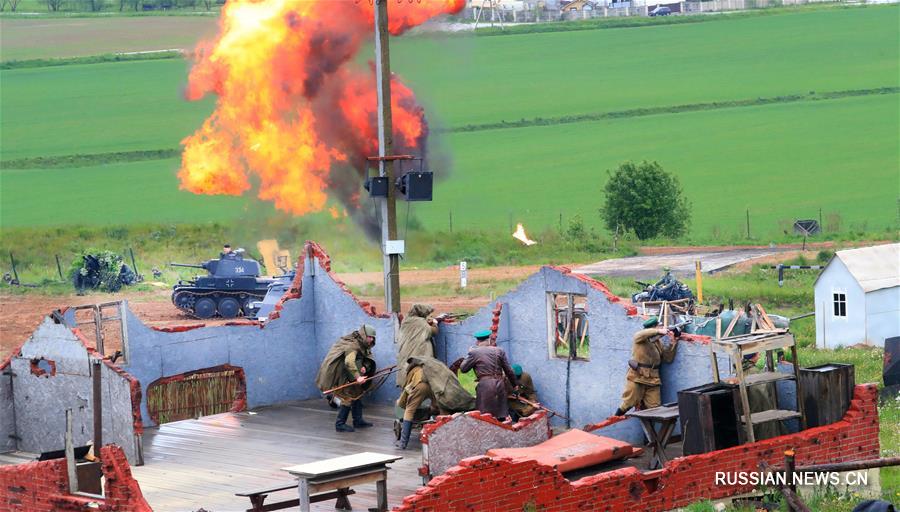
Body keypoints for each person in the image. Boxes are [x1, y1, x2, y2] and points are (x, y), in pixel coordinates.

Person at [395, 355, 475, 449]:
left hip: (421, 386)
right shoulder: (433, 367)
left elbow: (407, 389)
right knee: (442, 410)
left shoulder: (414, 369)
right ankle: (446, 440)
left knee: (409, 410)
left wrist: (401, 403)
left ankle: (403, 443)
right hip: (436, 386)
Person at [315, 325, 377, 432]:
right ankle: (340, 424)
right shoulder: (353, 346)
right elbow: (349, 362)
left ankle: (358, 421)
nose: (371, 339)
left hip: (352, 375)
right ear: (364, 335)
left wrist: (364, 367)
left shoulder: (363, 345)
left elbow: (364, 358)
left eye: (373, 338)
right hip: (344, 376)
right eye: (369, 337)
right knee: (347, 398)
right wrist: (358, 377)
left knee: (357, 395)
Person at [614, 317, 679, 416]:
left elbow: (668, 358)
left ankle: (649, 430)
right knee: (628, 403)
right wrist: (659, 331)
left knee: (654, 409)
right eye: (659, 326)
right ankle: (615, 419)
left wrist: (673, 342)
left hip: (653, 379)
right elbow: (638, 335)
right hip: (637, 377)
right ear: (653, 328)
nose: (662, 327)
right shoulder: (640, 338)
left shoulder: (657, 342)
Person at [459, 329, 517, 420]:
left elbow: (463, 369)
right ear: (488, 339)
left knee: (485, 417)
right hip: (500, 385)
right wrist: (515, 385)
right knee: (501, 415)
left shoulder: (474, 352)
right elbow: (509, 370)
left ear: (477, 341)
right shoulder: (499, 351)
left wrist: (469, 353)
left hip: (485, 387)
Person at [732, 352, 786, 441]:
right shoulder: (754, 371)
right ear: (753, 356)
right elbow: (762, 394)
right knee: (764, 431)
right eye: (757, 354)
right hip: (759, 406)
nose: (759, 355)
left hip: (747, 407)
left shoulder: (741, 370)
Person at [396, 304, 438, 386]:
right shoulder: (421, 323)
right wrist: (434, 323)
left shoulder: (406, 321)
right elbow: (434, 331)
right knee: (416, 387)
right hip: (416, 364)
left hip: (405, 363)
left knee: (407, 389)